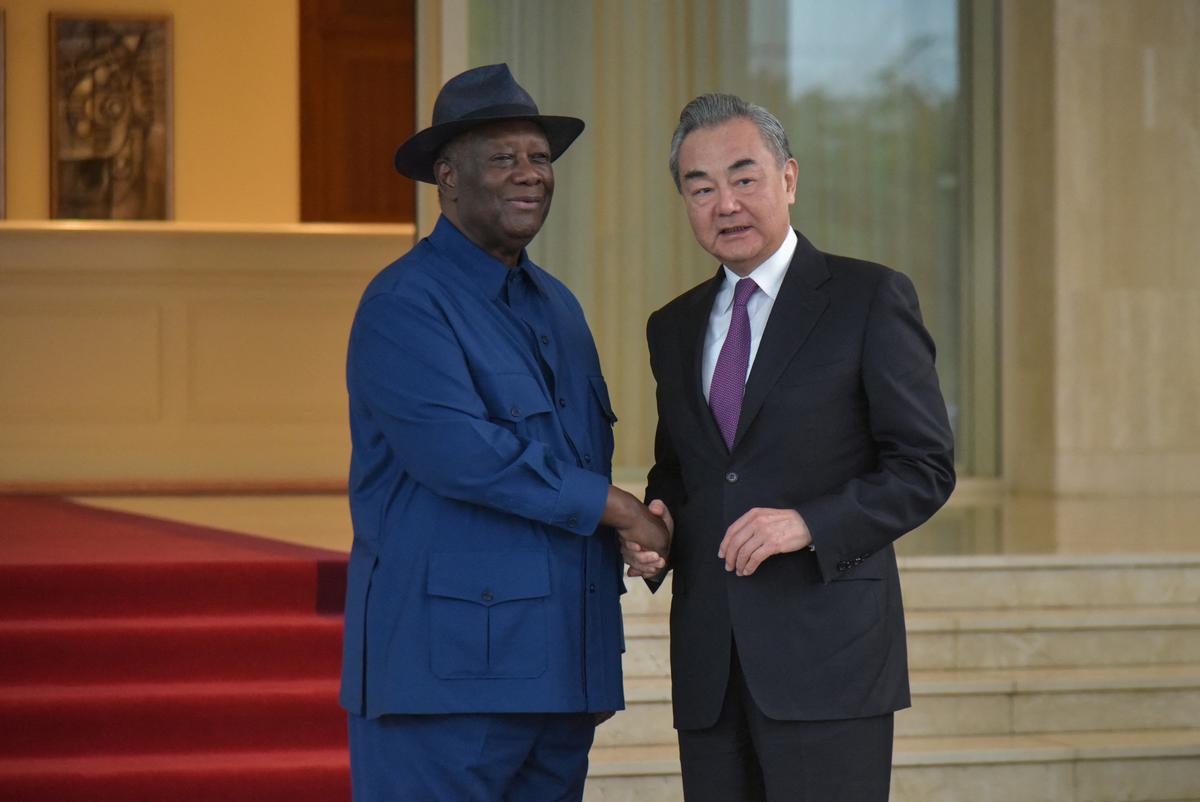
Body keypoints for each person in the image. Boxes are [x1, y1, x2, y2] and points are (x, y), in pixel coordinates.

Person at [339, 63, 669, 802]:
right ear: (448, 177)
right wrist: (617, 509)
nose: (530, 174)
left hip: (560, 678)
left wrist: (634, 534)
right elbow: (462, 456)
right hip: (445, 684)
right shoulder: (404, 302)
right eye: (503, 158)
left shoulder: (559, 306)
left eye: (540, 158)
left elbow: (572, 461)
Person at [632, 93, 956, 801]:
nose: (725, 204)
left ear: (789, 178)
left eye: (744, 178)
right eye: (700, 188)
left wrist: (810, 522)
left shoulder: (868, 298)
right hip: (711, 668)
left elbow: (924, 467)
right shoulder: (673, 327)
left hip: (829, 659)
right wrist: (657, 528)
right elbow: (682, 470)